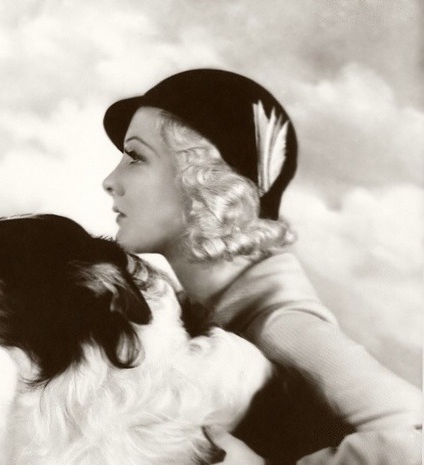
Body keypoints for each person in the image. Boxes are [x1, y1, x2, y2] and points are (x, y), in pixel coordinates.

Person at [101, 69, 422, 465]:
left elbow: (417, 438)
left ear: (209, 182)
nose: (110, 181)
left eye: (136, 157)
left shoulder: (281, 327)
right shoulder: (193, 317)